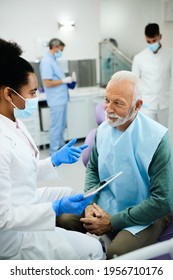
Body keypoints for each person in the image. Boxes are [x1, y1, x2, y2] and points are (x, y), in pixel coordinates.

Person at [0, 38, 103, 260]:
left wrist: (53, 162)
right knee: (93, 251)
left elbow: (20, 174)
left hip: (26, 213)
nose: (35, 98)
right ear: (9, 94)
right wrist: (54, 208)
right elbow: (4, 217)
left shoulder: (13, 123)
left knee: (70, 193)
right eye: (32, 92)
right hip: (15, 240)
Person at [56, 70, 173, 259]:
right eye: (106, 100)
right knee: (65, 220)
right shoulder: (103, 131)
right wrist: (91, 202)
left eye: (118, 103)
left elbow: (162, 201)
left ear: (137, 106)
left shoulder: (157, 139)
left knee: (117, 254)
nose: (109, 109)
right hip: (110, 199)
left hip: (149, 210)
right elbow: (93, 168)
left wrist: (113, 222)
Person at [132, 23, 172, 127]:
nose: (151, 44)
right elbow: (134, 83)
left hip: (165, 103)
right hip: (147, 104)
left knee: (165, 133)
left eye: (154, 41)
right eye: (148, 42)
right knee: (148, 133)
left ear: (160, 36)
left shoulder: (170, 55)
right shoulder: (139, 58)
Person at [39, 38, 75, 155]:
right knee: (56, 126)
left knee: (61, 126)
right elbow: (48, 83)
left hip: (61, 98)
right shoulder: (47, 62)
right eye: (61, 49)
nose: (61, 52)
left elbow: (56, 79)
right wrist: (64, 80)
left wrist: (68, 81)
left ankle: (61, 147)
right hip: (56, 99)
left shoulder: (54, 61)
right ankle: (54, 151)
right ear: (54, 47)